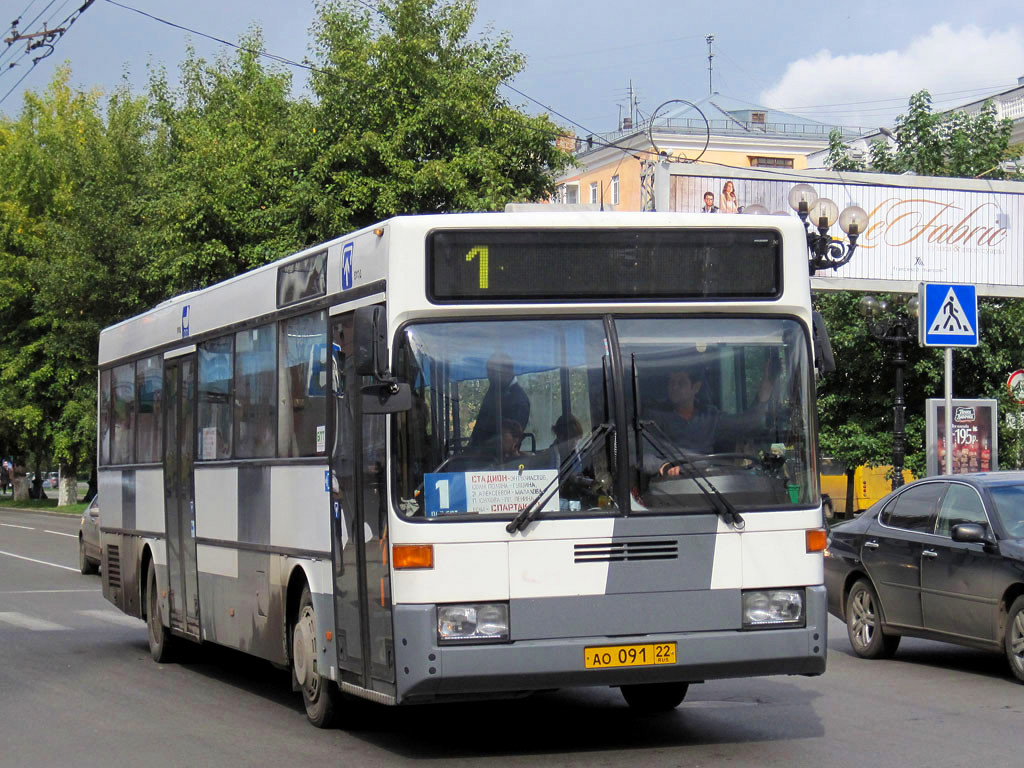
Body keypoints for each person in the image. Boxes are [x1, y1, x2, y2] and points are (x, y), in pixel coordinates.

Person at [645, 362, 774, 477]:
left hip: (708, 484)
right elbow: (637, 451)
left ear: (696, 388)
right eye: (671, 382)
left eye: (681, 383)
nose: (674, 387)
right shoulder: (655, 417)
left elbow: (745, 424)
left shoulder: (710, 417)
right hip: (670, 486)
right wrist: (661, 465)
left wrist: (763, 397)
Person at [468, 352, 531, 450]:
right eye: (488, 371)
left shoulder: (519, 400)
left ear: (507, 371)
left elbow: (509, 439)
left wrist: (479, 449)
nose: (489, 376)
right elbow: (481, 425)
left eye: (493, 372)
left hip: (501, 460)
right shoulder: (495, 390)